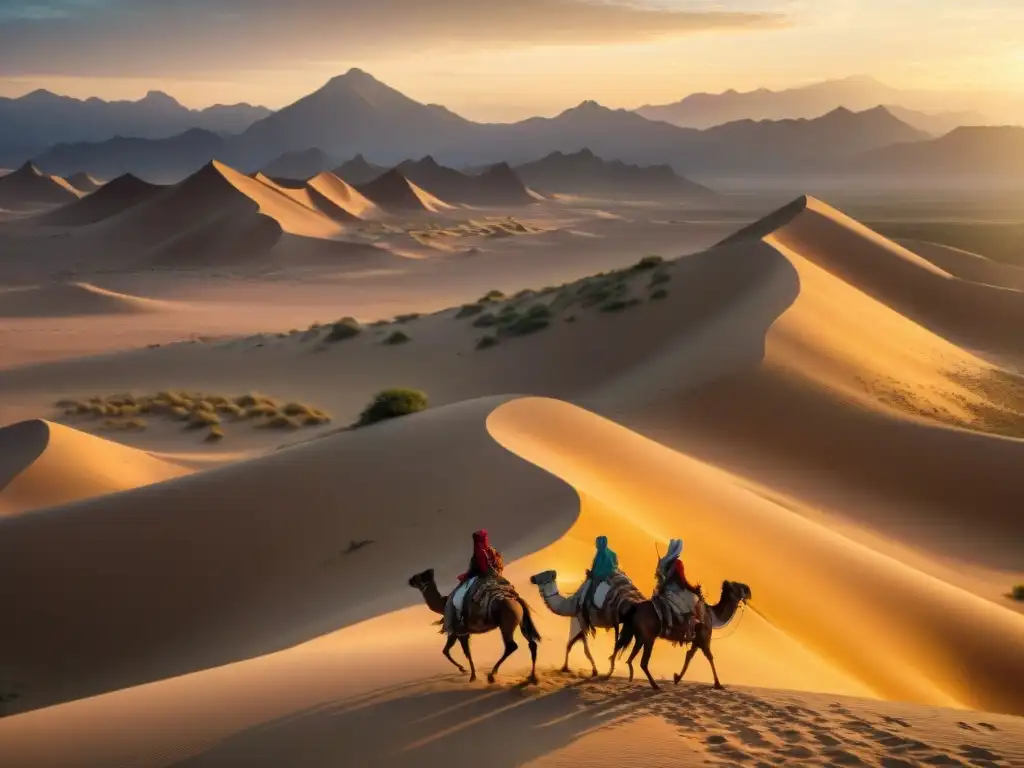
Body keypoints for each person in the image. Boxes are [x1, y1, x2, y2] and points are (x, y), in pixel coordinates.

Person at [447, 530, 503, 635]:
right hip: (496, 577)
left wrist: (467, 576)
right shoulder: (493, 552)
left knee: (458, 596)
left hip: (481, 578)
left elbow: (479, 568)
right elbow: (499, 566)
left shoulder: (480, 554)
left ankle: (461, 621)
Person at [655, 538, 701, 639]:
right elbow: (682, 580)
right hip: (673, 591)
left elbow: (658, 575)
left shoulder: (663, 561)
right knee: (692, 603)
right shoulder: (678, 563)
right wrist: (692, 589)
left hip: (660, 589)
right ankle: (686, 631)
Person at [580, 535, 618, 631]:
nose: (597, 545)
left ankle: (590, 614)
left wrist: (591, 574)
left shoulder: (602, 554)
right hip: (612, 579)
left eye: (597, 543)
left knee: (586, 594)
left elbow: (601, 571)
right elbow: (615, 566)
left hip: (603, 580)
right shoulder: (612, 553)